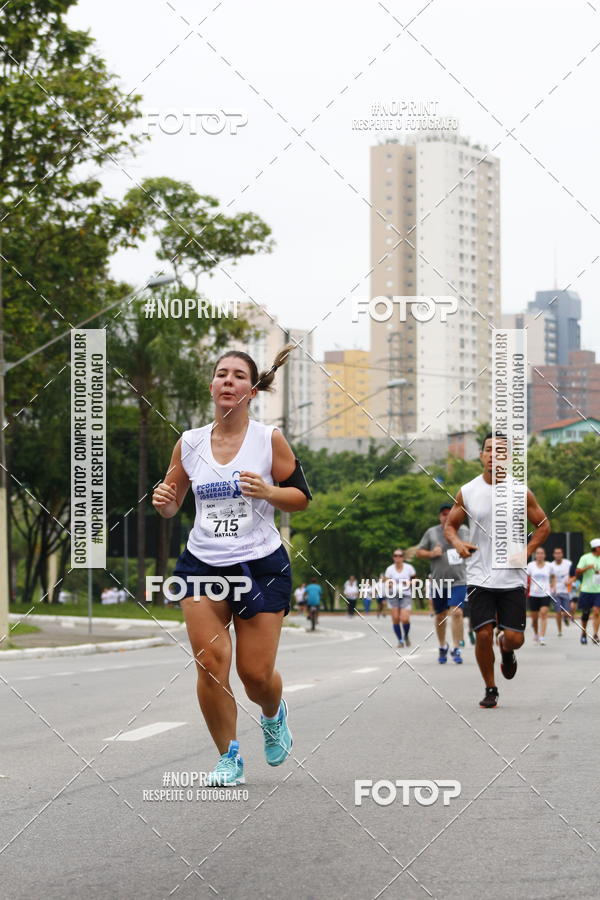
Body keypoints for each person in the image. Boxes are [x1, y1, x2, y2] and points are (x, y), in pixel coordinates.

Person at [152, 344, 312, 785]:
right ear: (212, 386)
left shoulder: (269, 439)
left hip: (261, 565)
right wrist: (164, 503)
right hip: (202, 565)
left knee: (255, 675)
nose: (228, 380)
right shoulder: (189, 443)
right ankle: (229, 757)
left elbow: (300, 498)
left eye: (239, 375)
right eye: (222, 374)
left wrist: (268, 492)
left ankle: (273, 713)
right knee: (210, 662)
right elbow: (172, 501)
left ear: (253, 389)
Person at [445, 433, 551, 708]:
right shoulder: (467, 491)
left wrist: (526, 552)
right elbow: (450, 527)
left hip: (512, 576)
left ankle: (506, 650)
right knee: (482, 633)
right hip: (480, 574)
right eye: (489, 450)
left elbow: (544, 525)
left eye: (500, 452)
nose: (494, 455)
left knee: (515, 639)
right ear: (481, 456)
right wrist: (457, 543)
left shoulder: (520, 491)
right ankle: (490, 687)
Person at [416, 503, 468, 665]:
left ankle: (456, 647)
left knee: (457, 612)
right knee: (440, 616)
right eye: (443, 514)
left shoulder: (464, 531)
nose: (446, 516)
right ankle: (442, 645)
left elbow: (472, 548)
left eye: (449, 514)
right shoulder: (432, 533)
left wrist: (465, 548)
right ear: (440, 517)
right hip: (439, 582)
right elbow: (419, 551)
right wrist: (432, 553)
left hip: (459, 580)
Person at [384, 549, 416, 648]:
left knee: (405, 619)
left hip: (405, 595)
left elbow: (415, 581)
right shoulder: (389, 569)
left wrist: (409, 583)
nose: (398, 558)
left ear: (403, 557)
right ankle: (400, 640)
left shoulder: (409, 568)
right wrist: (389, 584)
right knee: (396, 618)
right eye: (395, 555)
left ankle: (406, 635)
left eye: (400, 556)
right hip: (393, 595)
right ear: (393, 557)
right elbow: (387, 583)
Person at [575, 538, 600, 645]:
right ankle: (583, 633)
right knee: (585, 614)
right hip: (586, 590)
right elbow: (577, 572)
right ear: (595, 548)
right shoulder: (585, 557)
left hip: (598, 590)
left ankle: (595, 634)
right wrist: (587, 568)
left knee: (596, 611)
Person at [526, 547, 553, 646]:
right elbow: (527, 578)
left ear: (544, 555)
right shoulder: (530, 565)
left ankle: (542, 637)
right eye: (538, 553)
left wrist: (553, 586)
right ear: (535, 555)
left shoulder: (549, 566)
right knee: (534, 618)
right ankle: (536, 633)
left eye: (542, 553)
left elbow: (553, 576)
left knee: (543, 613)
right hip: (533, 594)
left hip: (545, 594)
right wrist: (526, 587)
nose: (540, 555)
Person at [549, 547, 574, 635]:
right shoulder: (551, 565)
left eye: (559, 553)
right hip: (555, 592)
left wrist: (570, 581)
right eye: (556, 553)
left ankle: (566, 618)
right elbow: (549, 578)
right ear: (553, 555)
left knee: (566, 612)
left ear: (562, 554)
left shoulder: (568, 563)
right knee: (558, 611)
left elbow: (573, 575)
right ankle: (560, 631)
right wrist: (552, 585)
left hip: (566, 591)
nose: (558, 555)